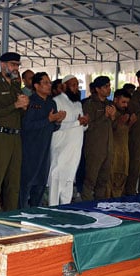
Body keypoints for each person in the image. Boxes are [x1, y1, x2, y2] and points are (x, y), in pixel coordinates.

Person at [0, 52, 29, 212]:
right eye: (12, 64)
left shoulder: (16, 86)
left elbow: (19, 114)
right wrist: (15, 105)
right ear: (2, 65)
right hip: (0, 136)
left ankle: (12, 217)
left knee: (13, 183)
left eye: (17, 64)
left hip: (16, 136)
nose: (15, 67)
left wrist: (23, 107)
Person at [19, 72, 65, 208]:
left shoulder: (51, 103)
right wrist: (48, 120)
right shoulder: (31, 102)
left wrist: (57, 122)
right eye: (45, 83)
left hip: (45, 148)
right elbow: (26, 126)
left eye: (50, 83)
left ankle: (36, 212)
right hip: (30, 148)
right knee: (26, 183)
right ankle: (21, 213)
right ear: (36, 85)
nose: (49, 85)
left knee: (40, 183)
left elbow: (53, 128)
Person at [48, 74, 88, 205]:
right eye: (73, 85)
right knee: (56, 178)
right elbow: (56, 126)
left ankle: (65, 208)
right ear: (64, 86)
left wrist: (84, 123)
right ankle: (52, 209)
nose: (76, 88)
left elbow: (81, 126)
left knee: (69, 179)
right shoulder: (57, 101)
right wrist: (77, 122)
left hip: (75, 150)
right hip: (61, 148)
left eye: (77, 85)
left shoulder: (77, 103)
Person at [81, 76, 115, 201]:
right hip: (94, 148)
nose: (109, 89)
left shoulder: (110, 104)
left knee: (103, 179)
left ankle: (99, 203)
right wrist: (104, 116)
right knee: (91, 179)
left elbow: (115, 126)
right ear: (98, 89)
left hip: (108, 147)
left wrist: (112, 117)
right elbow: (88, 126)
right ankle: (86, 204)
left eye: (109, 86)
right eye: (106, 87)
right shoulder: (89, 104)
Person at [110, 89, 135, 197]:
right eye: (123, 102)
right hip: (113, 151)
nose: (125, 105)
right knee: (111, 179)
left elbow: (124, 131)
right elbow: (110, 130)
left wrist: (130, 123)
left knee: (122, 177)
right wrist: (119, 121)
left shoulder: (125, 114)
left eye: (127, 103)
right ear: (115, 100)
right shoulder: (111, 111)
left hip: (123, 151)